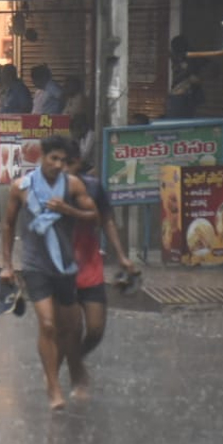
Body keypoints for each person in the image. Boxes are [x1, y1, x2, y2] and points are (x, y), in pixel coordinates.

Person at [1, 135, 100, 411]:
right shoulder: (21, 187)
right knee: (47, 324)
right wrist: (7, 265)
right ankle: (53, 387)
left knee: (71, 328)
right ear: (42, 157)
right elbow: (8, 225)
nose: (57, 165)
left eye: (63, 161)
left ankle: (73, 370)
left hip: (65, 266)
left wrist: (68, 210)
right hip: (35, 266)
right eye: (53, 158)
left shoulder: (73, 185)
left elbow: (95, 216)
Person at [66, 140, 139, 366]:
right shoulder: (47, 190)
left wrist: (122, 256)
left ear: (77, 162)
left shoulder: (94, 187)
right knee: (74, 326)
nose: (62, 169)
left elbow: (107, 221)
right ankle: (72, 368)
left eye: (67, 163)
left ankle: (74, 359)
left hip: (90, 267)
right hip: (61, 270)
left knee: (96, 330)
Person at [165, 35, 203, 119]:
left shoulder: (188, 62)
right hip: (180, 94)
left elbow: (193, 77)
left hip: (185, 95)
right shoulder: (178, 61)